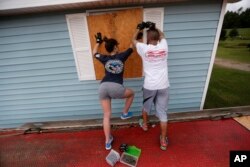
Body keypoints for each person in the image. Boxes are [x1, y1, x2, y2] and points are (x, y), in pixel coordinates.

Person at [92, 32, 134, 150]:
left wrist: (98, 42)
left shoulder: (105, 58)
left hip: (102, 87)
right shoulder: (122, 56)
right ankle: (124, 113)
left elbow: (94, 53)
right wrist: (136, 34)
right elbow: (132, 46)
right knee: (131, 93)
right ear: (115, 47)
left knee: (106, 115)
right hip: (115, 87)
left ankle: (107, 142)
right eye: (117, 45)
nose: (118, 46)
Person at [133, 22, 170, 151]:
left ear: (148, 38)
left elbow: (133, 41)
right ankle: (163, 140)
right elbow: (163, 35)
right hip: (163, 85)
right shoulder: (164, 46)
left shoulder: (144, 48)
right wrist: (155, 27)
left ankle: (145, 125)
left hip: (150, 86)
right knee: (162, 113)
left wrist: (140, 28)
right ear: (158, 38)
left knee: (146, 106)